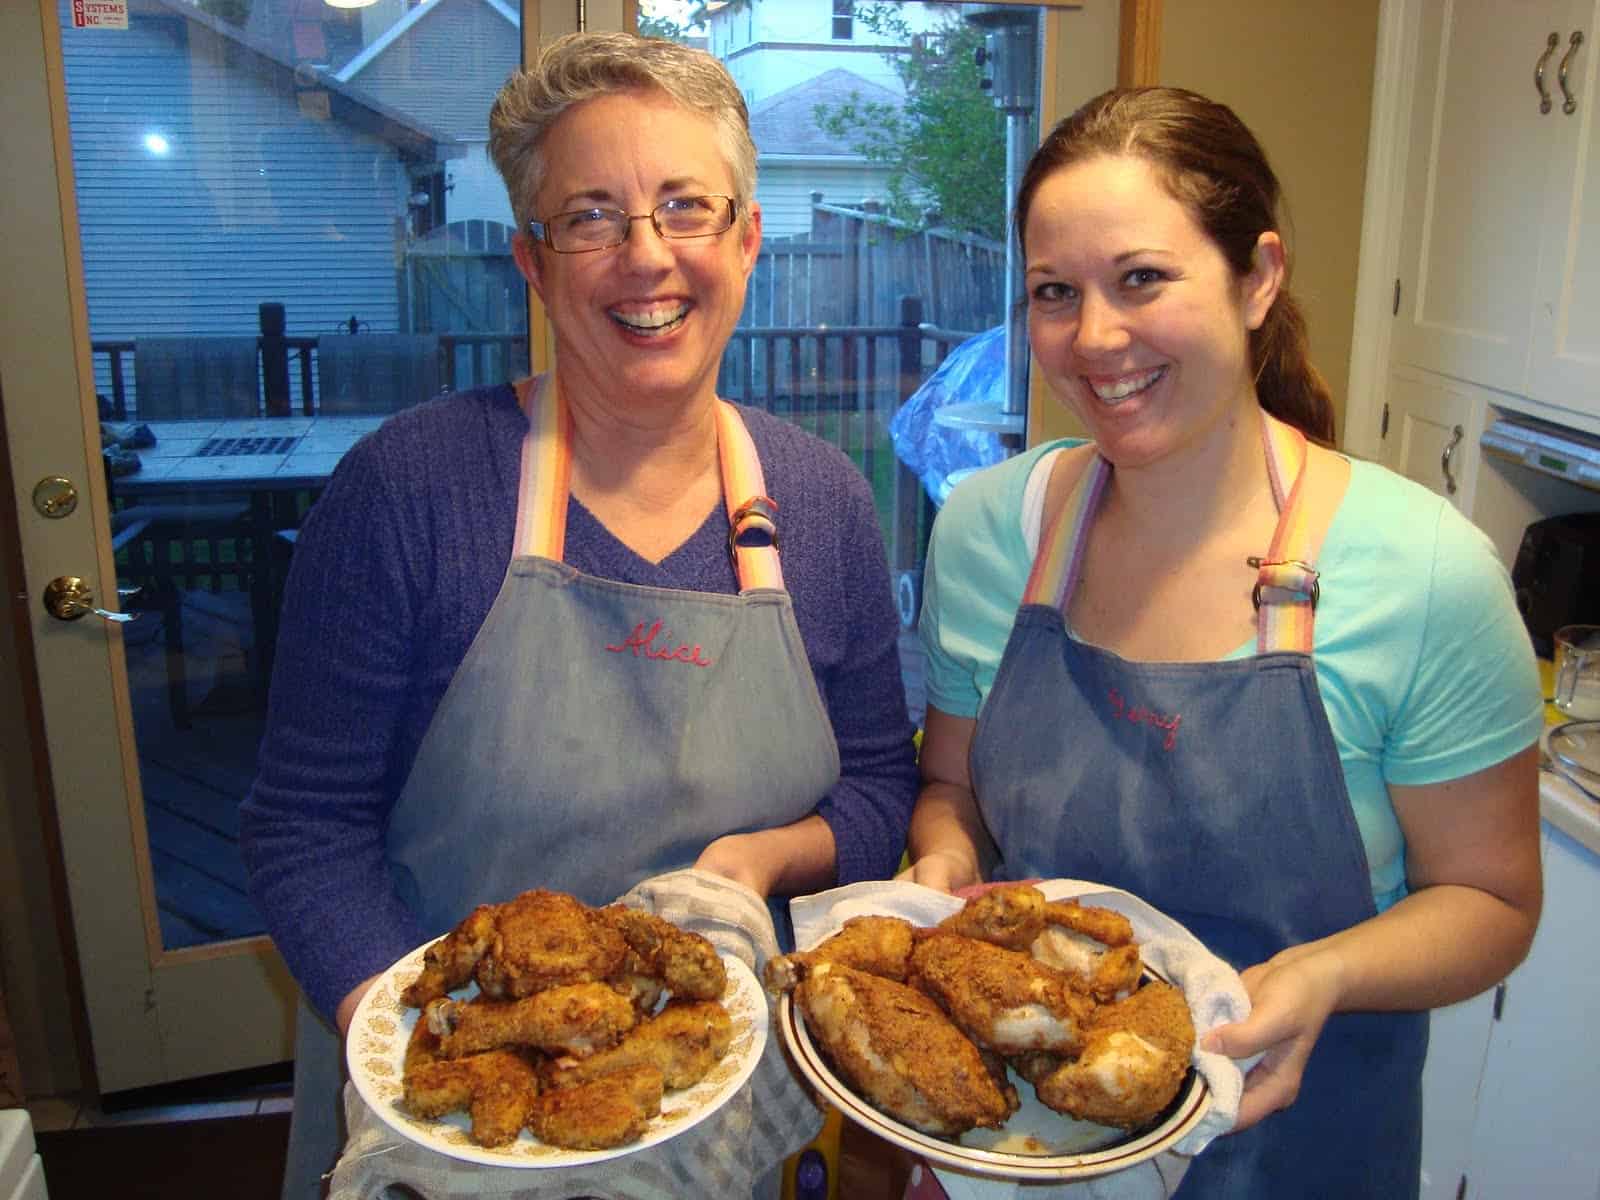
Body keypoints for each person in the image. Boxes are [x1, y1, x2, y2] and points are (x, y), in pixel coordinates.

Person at [240, 31, 919, 1199]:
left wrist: (755, 865)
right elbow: (304, 825)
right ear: (535, 265)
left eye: (685, 208)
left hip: (714, 1108)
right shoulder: (409, 491)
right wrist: (420, 1058)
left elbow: (873, 788)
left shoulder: (821, 502)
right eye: (592, 217)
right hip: (449, 1107)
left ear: (746, 239)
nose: (644, 258)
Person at [902, 87, 1543, 1197]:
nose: (1094, 338)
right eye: (1055, 292)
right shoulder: (985, 535)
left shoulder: (1427, 571)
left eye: (1142, 279)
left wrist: (1327, 972)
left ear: (1257, 278)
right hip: (1023, 1145)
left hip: (1299, 1137)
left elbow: (1490, 902)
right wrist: (944, 869)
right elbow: (952, 783)